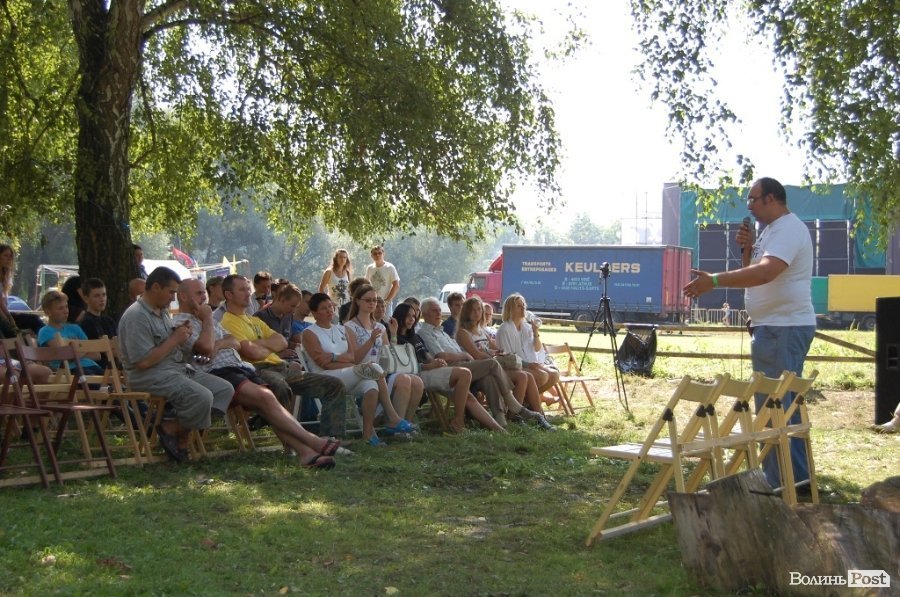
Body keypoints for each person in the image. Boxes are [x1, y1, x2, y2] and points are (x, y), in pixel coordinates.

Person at [683, 177, 816, 491]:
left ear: (771, 198)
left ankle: (782, 483)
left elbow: (766, 272)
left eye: (753, 199)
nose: (749, 206)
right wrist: (747, 249)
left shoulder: (788, 229)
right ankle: (795, 480)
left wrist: (715, 280)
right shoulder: (771, 231)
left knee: (774, 408)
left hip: (782, 327)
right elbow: (755, 271)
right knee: (781, 407)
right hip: (773, 326)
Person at [174, 279, 339, 468]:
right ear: (183, 297)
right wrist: (209, 321)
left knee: (268, 402)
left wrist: (217, 344)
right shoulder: (183, 323)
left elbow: (234, 342)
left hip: (242, 368)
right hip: (220, 373)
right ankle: (313, 442)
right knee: (268, 396)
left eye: (204, 293)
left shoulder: (212, 320)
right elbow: (205, 348)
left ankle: (306, 453)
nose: (204, 297)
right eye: (199, 293)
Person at [117, 266, 233, 462]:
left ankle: (173, 427)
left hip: (175, 369)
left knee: (224, 389)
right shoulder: (136, 316)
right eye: (171, 292)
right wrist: (175, 339)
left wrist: (181, 335)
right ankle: (182, 439)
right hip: (149, 376)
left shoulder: (161, 311)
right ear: (156, 287)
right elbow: (143, 362)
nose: (173, 298)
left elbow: (168, 345)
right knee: (202, 396)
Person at [219, 275, 347, 438]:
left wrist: (259, 344)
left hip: (282, 367)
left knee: (334, 385)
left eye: (248, 289)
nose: (248, 293)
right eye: (242, 290)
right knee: (281, 388)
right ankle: (294, 443)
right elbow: (251, 353)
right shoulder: (228, 321)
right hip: (259, 370)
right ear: (229, 295)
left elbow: (282, 342)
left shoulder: (253, 320)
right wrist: (268, 346)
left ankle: (331, 439)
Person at [417, 297, 553, 430]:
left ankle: (501, 419)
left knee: (490, 379)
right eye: (434, 310)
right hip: (455, 367)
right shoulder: (427, 333)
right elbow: (441, 355)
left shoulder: (443, 332)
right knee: (496, 365)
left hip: (469, 364)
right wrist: (465, 355)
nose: (439, 313)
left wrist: (489, 352)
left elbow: (489, 349)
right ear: (425, 313)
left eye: (439, 310)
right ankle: (514, 406)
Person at [302, 293, 416, 446]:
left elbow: (353, 357)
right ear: (314, 313)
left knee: (371, 385)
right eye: (324, 308)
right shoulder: (310, 333)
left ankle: (368, 435)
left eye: (330, 306)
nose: (329, 310)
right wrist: (346, 361)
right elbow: (323, 363)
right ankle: (393, 417)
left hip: (346, 373)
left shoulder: (341, 329)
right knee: (374, 367)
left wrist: (334, 357)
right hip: (324, 377)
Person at [392, 302, 504, 433]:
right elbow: (403, 363)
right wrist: (431, 364)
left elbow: (428, 356)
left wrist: (435, 361)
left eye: (413, 316)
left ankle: (499, 428)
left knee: (471, 394)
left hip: (438, 368)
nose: (411, 319)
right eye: (408, 316)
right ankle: (459, 420)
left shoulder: (415, 337)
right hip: (422, 372)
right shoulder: (406, 336)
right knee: (473, 370)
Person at [345, 284, 424, 426]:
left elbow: (388, 353)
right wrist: (370, 341)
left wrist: (393, 334)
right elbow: (354, 358)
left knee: (417, 382)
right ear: (357, 301)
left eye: (374, 300)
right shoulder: (349, 327)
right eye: (368, 300)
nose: (372, 303)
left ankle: (407, 423)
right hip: (363, 371)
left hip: (382, 370)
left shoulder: (380, 327)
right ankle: (395, 424)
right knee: (403, 379)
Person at [457, 296, 549, 418]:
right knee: (523, 376)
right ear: (466, 312)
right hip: (481, 370)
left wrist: (495, 352)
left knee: (528, 375)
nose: (476, 313)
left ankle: (538, 415)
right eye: (472, 310)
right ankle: (515, 414)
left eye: (479, 309)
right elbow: (477, 355)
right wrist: (491, 353)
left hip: (493, 366)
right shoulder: (463, 333)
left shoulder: (481, 331)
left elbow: (496, 349)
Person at [496, 293, 560, 395]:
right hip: (513, 366)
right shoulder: (505, 329)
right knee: (542, 376)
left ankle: (529, 400)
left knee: (554, 375)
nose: (523, 308)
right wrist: (528, 365)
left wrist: (535, 332)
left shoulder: (526, 327)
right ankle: (528, 400)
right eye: (519, 306)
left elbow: (537, 349)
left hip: (529, 362)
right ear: (510, 309)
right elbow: (507, 358)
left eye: (523, 305)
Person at [37, 290, 103, 374]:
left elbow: (97, 355)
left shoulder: (75, 328)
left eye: (66, 307)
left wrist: (75, 352)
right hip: (69, 370)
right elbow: (66, 355)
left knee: (112, 378)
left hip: (92, 366)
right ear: (48, 312)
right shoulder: (45, 331)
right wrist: (83, 350)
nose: (66, 311)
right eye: (60, 308)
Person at [364, 245, 400, 312]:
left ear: (383, 254)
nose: (377, 255)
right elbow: (366, 285)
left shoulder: (390, 267)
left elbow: (396, 285)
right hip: (373, 302)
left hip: (385, 303)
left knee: (386, 319)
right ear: (371, 256)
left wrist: (387, 300)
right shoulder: (370, 268)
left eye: (379, 253)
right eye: (375, 254)